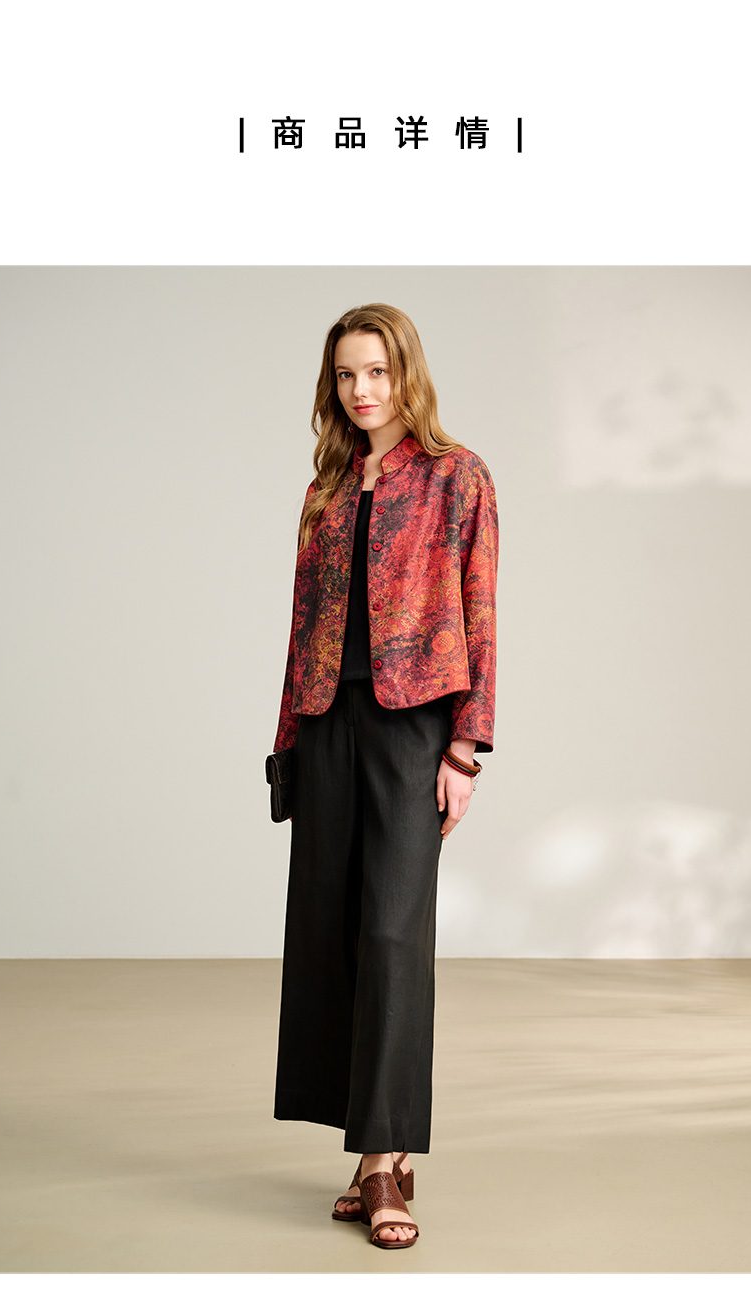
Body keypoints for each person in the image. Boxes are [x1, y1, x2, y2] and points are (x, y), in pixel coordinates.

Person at [271, 302, 499, 1249]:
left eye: (377, 371)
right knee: (332, 931)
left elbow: (480, 612)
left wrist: (465, 747)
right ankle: (368, 1153)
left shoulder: (457, 476)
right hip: (328, 724)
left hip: (414, 728)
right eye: (346, 375)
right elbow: (302, 630)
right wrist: (286, 746)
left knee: (396, 934)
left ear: (407, 373)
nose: (362, 390)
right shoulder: (326, 490)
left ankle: (386, 1162)